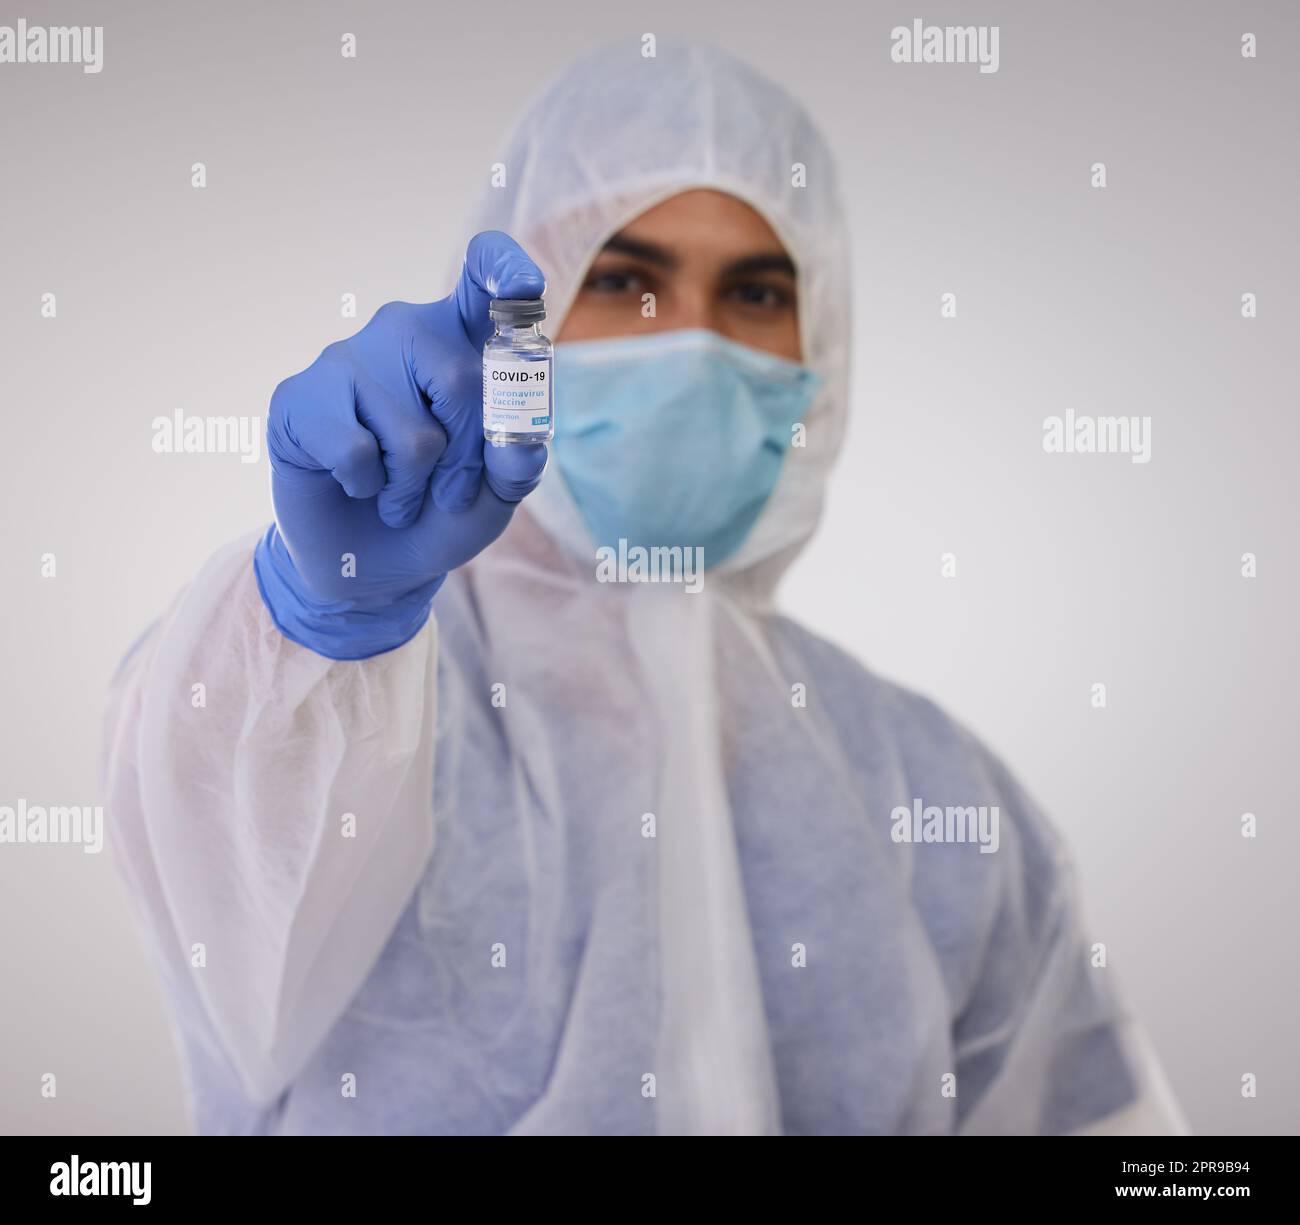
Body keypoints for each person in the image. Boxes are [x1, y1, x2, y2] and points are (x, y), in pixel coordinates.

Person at [102, 38, 1186, 1135]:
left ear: (824, 346)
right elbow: (218, 840)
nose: (696, 346)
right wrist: (321, 611)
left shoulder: (935, 793)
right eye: (625, 279)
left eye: (756, 291)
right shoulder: (346, 706)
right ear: (517, 330)